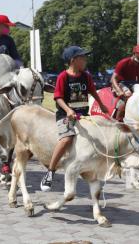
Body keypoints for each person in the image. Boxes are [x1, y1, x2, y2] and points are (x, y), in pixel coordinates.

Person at [40, 46, 108, 192]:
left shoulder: (86, 75)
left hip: (83, 115)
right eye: (82, 57)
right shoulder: (63, 77)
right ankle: (50, 172)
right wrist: (68, 110)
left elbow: (92, 91)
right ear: (73, 60)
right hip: (65, 115)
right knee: (66, 139)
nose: (85, 60)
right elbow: (58, 97)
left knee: (97, 136)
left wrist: (101, 105)